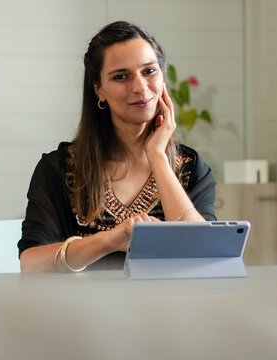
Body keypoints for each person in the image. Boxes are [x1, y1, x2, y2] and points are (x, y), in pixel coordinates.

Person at [18, 21, 216, 272]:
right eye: (121, 77)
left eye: (149, 71)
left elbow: (205, 254)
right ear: (99, 90)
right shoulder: (57, 168)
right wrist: (111, 239)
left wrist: (157, 156)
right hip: (81, 309)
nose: (140, 87)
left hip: (168, 307)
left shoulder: (191, 166)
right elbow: (31, 264)